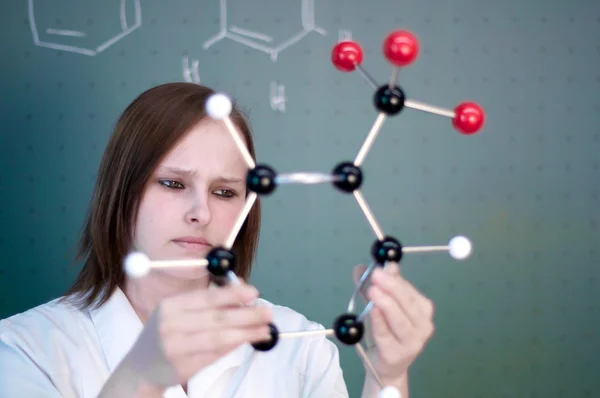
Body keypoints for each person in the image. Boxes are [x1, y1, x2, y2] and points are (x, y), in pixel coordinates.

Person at [0, 82, 435, 398]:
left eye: (225, 192)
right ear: (122, 189)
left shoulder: (296, 345)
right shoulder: (25, 349)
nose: (201, 212)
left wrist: (387, 376)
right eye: (172, 184)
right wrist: (140, 379)